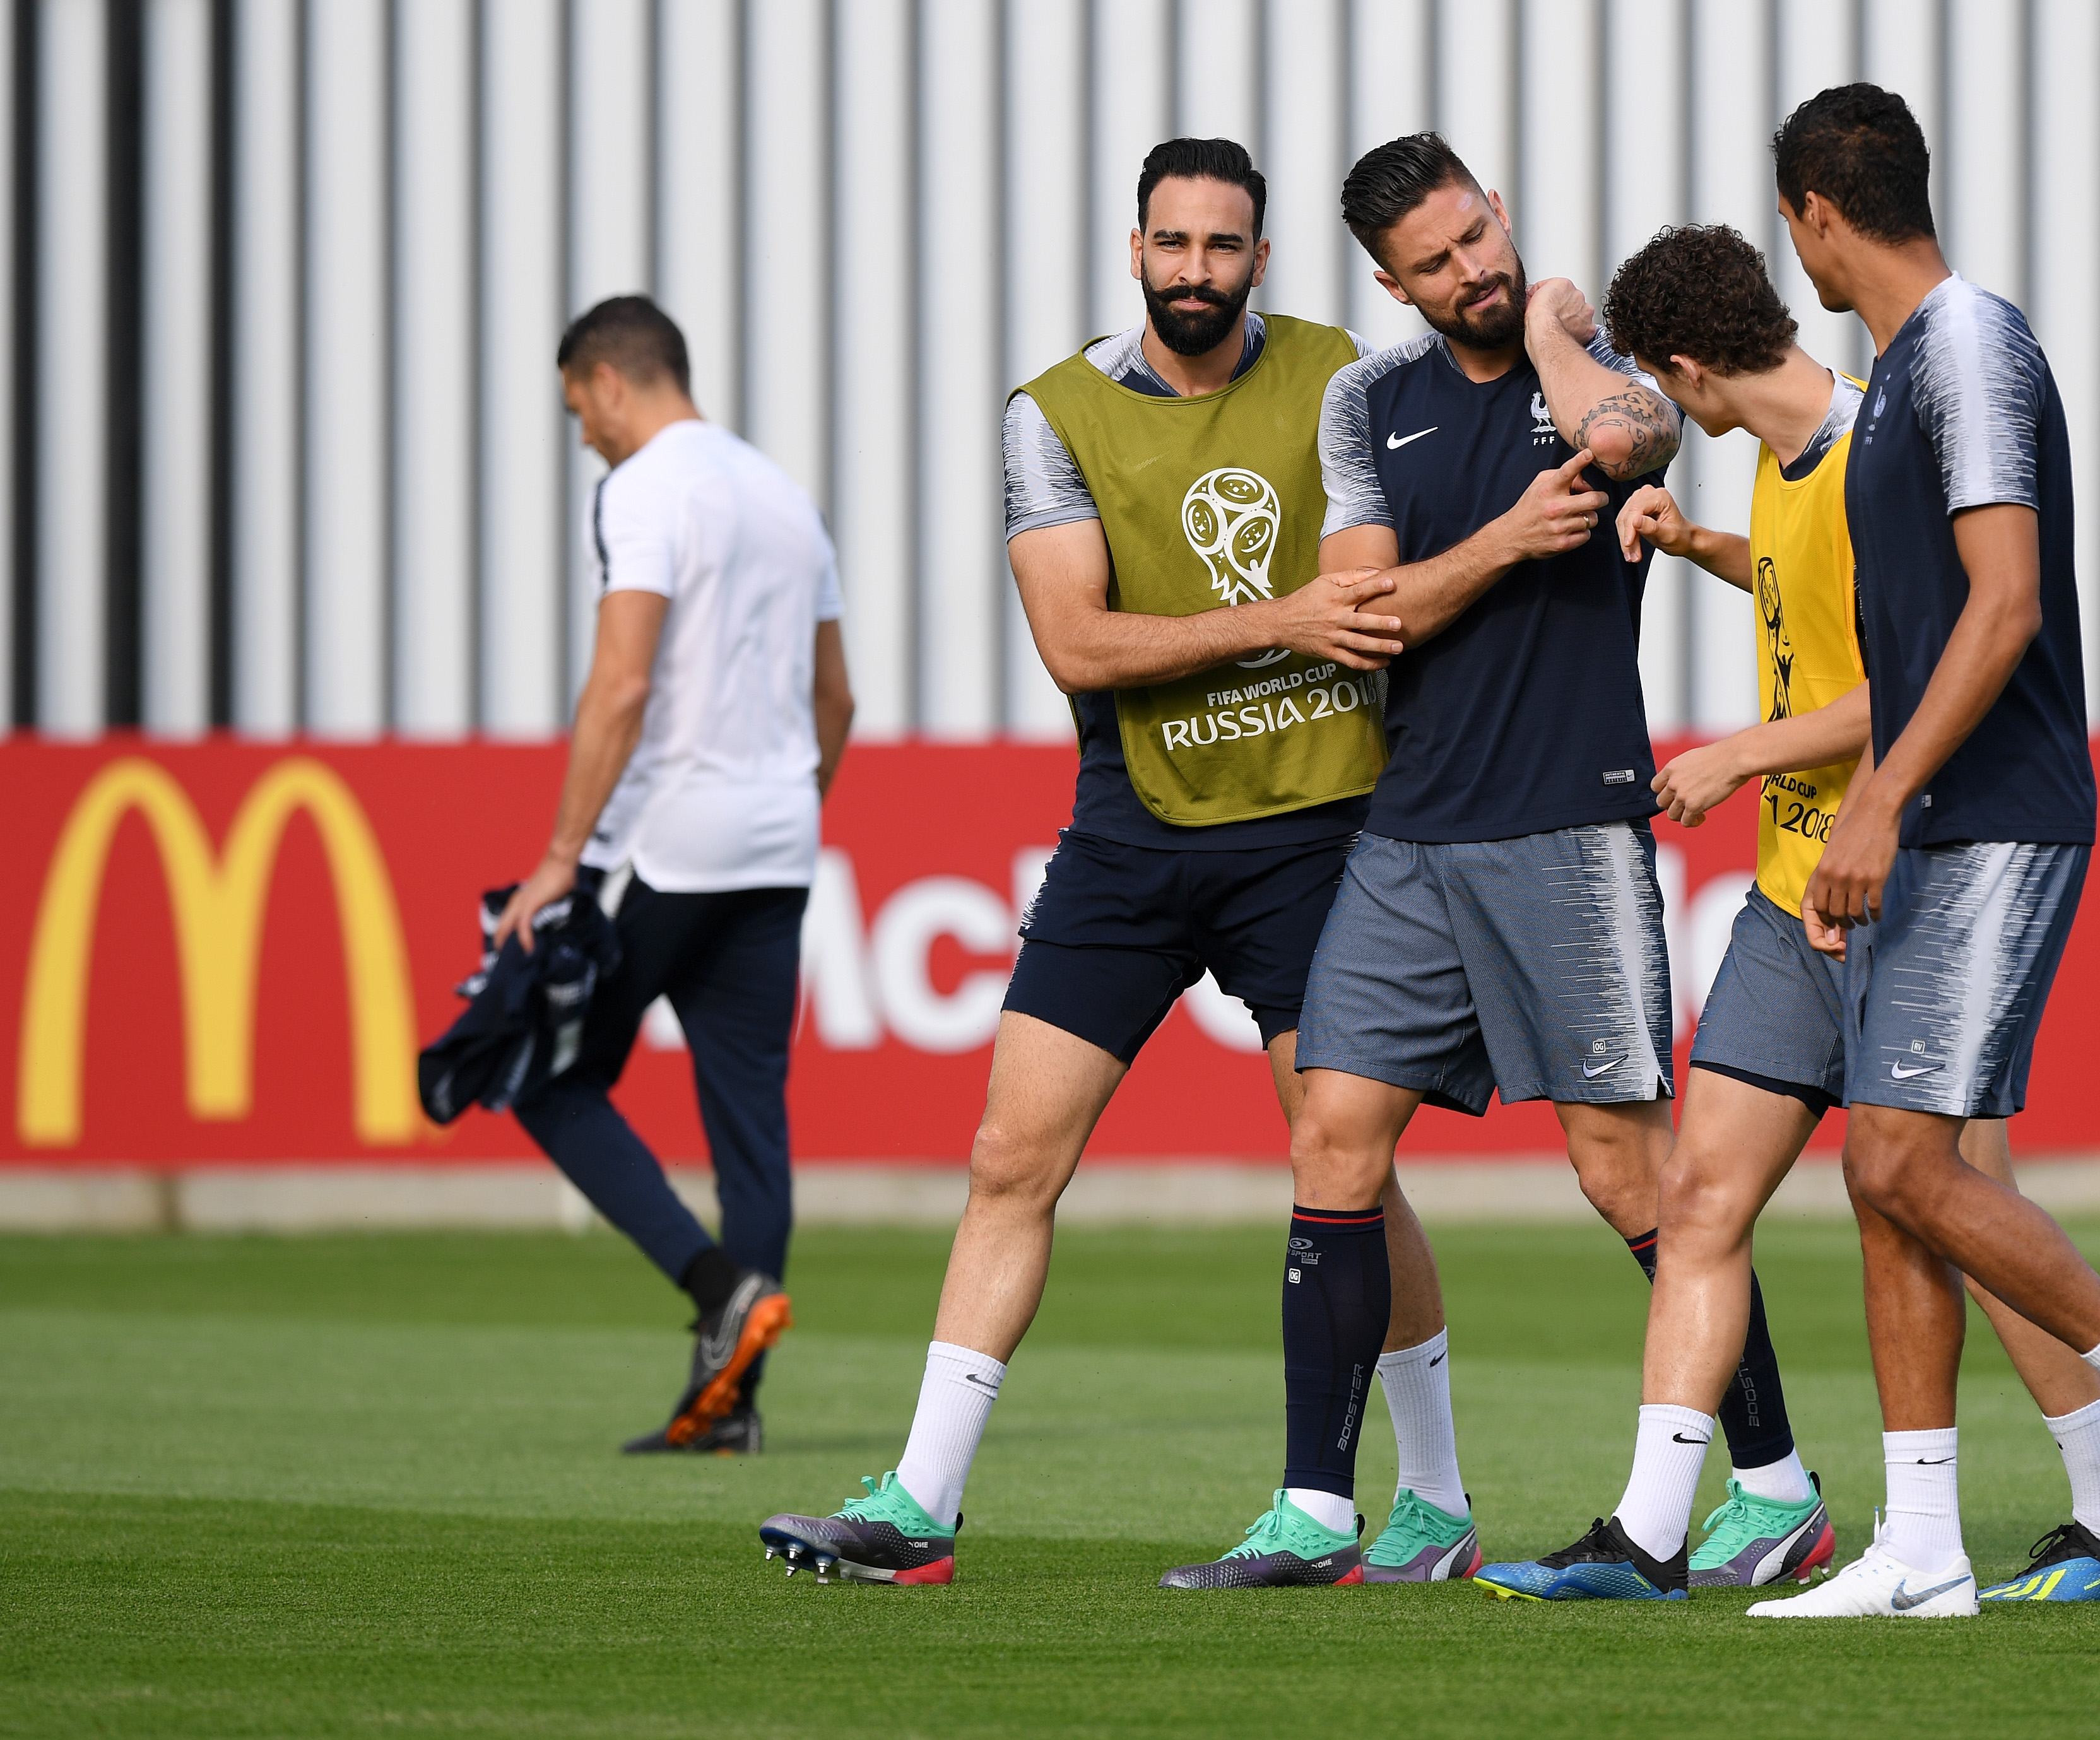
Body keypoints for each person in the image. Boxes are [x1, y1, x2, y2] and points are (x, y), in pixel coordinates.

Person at [754, 139, 1454, 1587]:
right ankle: (919, 1504)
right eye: (1173, 242)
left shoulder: (1341, 375)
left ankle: (1432, 1503)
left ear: (1261, 259)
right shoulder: (1051, 413)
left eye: (1223, 245)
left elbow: (1389, 576)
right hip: (1130, 828)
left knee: (1345, 1167)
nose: (1195, 268)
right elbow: (1076, 643)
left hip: (1318, 829)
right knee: (1010, 1153)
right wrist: (1282, 619)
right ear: (1131, 247)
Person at [1475, 223, 2100, 1604]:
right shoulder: (1794, 467)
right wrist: (1696, 542)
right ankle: (1650, 1531)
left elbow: (1904, 684)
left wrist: (1740, 752)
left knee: (1955, 1201)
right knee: (1701, 1191)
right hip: (1794, 899)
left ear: (1683, 368)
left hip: (1903, 881)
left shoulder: (1876, 454)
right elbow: (1811, 598)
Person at [1163, 134, 1810, 1595]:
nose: (1472, 268)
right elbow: (1362, 609)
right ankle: (1324, 1514)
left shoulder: (1587, 348)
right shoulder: (1364, 399)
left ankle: (1774, 1485)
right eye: (1437, 261)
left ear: (1500, 217)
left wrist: (1545, 327)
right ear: (1390, 282)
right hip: (1408, 830)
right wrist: (1515, 538)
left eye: (1479, 237)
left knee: (1624, 1168)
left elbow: (1638, 443)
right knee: (1330, 1133)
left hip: (1567, 822)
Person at [1742, 86, 2100, 1619]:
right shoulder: (1905, 365)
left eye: (1795, 229)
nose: (1801, 255)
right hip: (1937, 815)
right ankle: (1921, 1549)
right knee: (1883, 1178)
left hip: (1995, 811)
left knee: (1904, 1155)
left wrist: (1879, 792)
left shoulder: (1965, 345)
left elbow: (2006, 602)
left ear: (1817, 216)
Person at [499, 294, 854, 1455]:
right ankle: (730, 1408)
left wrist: (558, 858)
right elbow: (835, 698)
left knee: (543, 1074)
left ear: (609, 380)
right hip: (777, 842)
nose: (585, 436)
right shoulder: (785, 497)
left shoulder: (645, 488)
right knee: (751, 1121)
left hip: (666, 844)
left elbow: (622, 683)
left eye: (578, 412)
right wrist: (791, 809)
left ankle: (718, 1290)